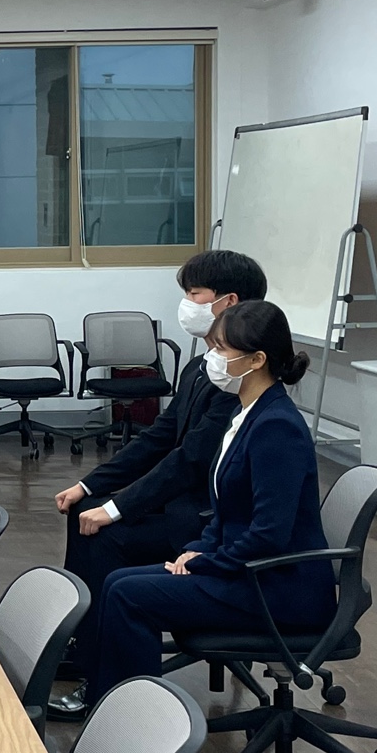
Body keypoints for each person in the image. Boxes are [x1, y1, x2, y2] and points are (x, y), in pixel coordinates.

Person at [48, 250, 267, 720]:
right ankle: (87, 644)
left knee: (107, 537)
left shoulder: (240, 381)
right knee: (82, 514)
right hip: (185, 506)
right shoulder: (203, 366)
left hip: (204, 520)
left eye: (194, 294)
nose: (186, 304)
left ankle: (109, 684)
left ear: (228, 302)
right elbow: (159, 438)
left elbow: (188, 462)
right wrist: (90, 486)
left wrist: (116, 508)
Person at [86, 300, 336, 703]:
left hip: (277, 589)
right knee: (117, 582)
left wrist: (206, 562)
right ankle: (109, 705)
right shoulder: (247, 414)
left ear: (256, 360)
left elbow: (270, 534)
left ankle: (134, 716)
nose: (212, 358)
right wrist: (198, 549)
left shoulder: (277, 427)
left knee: (129, 596)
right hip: (244, 570)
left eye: (221, 349)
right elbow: (227, 508)